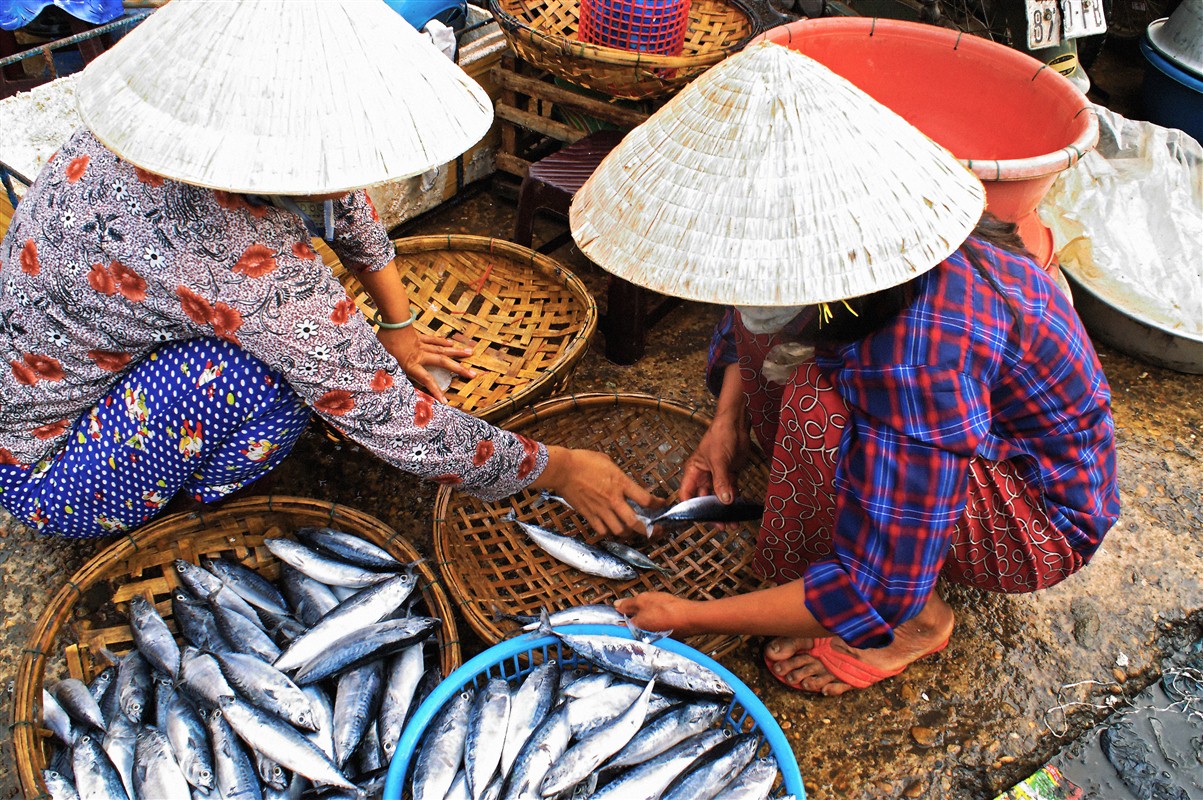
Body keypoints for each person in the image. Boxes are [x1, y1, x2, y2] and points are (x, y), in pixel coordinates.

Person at [570, 41, 1121, 694]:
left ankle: (919, 626)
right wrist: (725, 423)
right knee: (768, 338)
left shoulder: (921, 354)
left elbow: (876, 586)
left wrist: (688, 618)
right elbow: (748, 316)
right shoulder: (864, 241)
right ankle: (818, 514)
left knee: (816, 405)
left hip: (1033, 519)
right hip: (944, 433)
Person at [0, 0, 654, 539]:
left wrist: (396, 324)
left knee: (293, 354)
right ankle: (172, 510)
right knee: (272, 386)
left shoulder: (165, 125)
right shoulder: (247, 273)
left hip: (62, 375)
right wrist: (557, 469)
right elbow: (391, 420)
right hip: (50, 473)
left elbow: (338, 198)